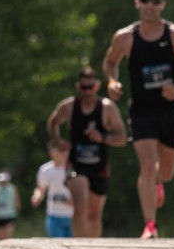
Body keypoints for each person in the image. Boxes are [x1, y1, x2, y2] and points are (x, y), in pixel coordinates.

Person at [103, 0, 174, 239]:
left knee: (166, 172)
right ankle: (150, 225)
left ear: (163, 5)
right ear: (137, 3)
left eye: (155, 1)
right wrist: (112, 82)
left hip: (169, 109)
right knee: (147, 164)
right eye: (145, 0)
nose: (150, 6)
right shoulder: (124, 37)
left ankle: (157, 184)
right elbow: (110, 63)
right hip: (141, 110)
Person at [48, 66, 128, 238]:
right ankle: (79, 245)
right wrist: (57, 141)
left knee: (94, 214)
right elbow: (53, 122)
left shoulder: (107, 108)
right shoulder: (69, 107)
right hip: (76, 165)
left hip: (99, 166)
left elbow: (122, 138)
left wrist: (102, 138)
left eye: (90, 87)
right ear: (78, 87)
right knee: (81, 204)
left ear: (97, 86)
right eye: (84, 88)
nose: (87, 91)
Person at [32, 141, 74, 238]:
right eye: (56, 150)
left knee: (73, 244)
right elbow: (40, 188)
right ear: (51, 152)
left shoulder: (72, 169)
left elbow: (81, 190)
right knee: (57, 244)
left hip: (72, 216)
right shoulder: (45, 170)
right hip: (54, 215)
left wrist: (75, 200)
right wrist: (37, 196)